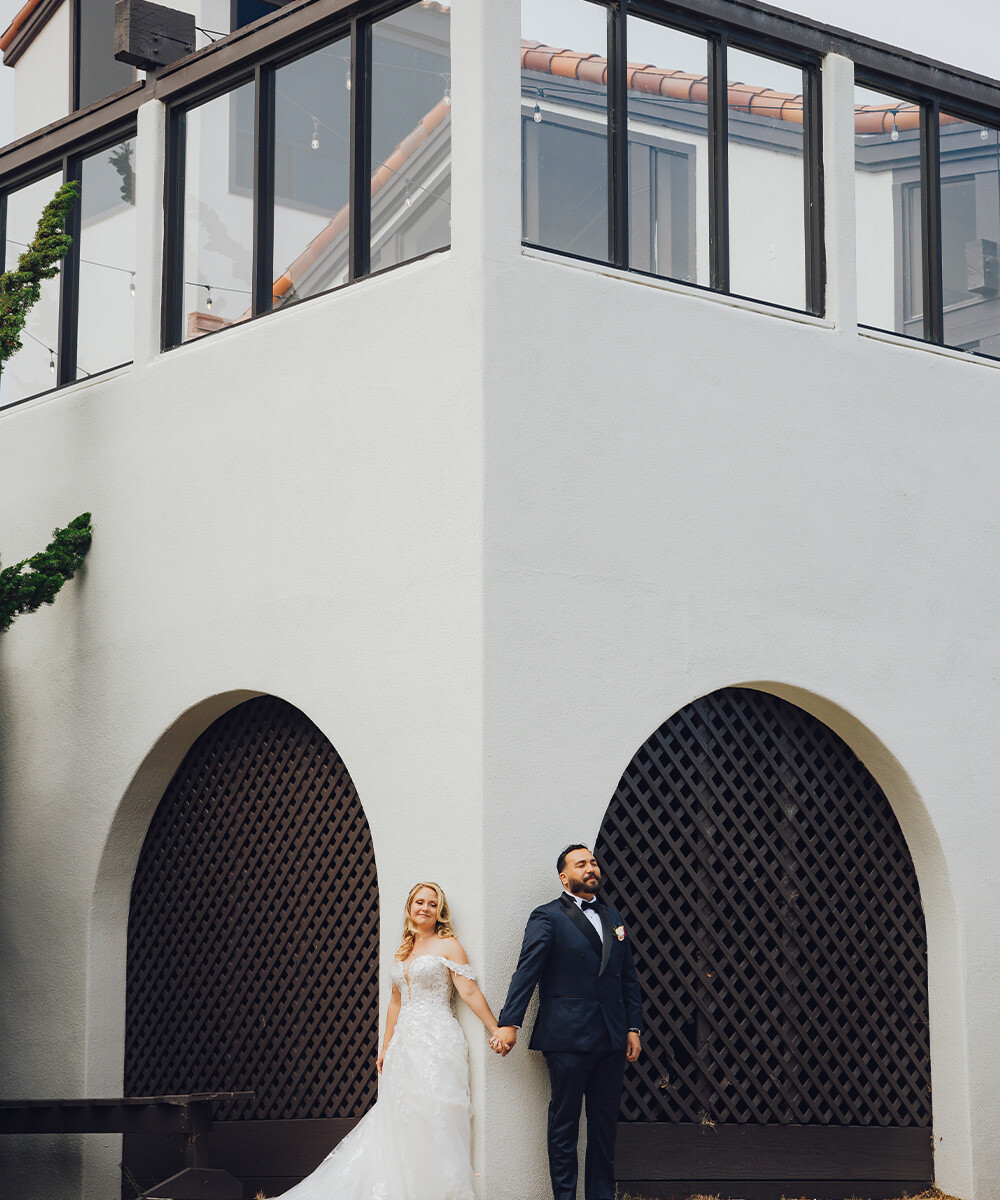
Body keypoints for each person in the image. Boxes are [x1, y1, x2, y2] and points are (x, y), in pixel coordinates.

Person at [264, 881, 503, 1200]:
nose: (425, 908)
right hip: (404, 1044)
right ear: (410, 907)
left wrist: (496, 1028)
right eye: (420, 902)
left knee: (437, 1113)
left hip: (437, 1040)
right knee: (401, 1118)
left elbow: (468, 990)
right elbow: (395, 1002)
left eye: (433, 904)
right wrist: (386, 1045)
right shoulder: (403, 950)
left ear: (440, 912)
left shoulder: (448, 945)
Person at [492, 845, 643, 1200]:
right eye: (581, 864)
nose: (590, 868)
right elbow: (526, 971)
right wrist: (509, 1022)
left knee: (605, 1127)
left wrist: (632, 1027)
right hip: (567, 1038)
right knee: (564, 1125)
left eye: (592, 862)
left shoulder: (614, 917)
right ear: (564, 877)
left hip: (611, 1038)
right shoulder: (547, 917)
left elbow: (628, 978)